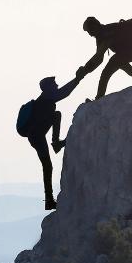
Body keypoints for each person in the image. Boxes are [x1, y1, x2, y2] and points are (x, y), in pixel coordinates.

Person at [24, 72, 84, 210]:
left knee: (56, 115)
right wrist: (78, 79)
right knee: (47, 166)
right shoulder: (46, 98)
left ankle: (56, 143)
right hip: (37, 137)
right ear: (48, 88)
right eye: (54, 85)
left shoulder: (45, 98)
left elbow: (61, 92)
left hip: (37, 135)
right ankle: (49, 200)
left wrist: (78, 78)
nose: (57, 85)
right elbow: (64, 92)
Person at [80, 16, 132, 99]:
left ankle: (99, 97)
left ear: (95, 26)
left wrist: (85, 70)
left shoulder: (107, 32)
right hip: (124, 53)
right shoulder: (101, 37)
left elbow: (99, 55)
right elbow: (99, 59)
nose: (90, 35)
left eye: (90, 31)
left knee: (108, 69)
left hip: (131, 51)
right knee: (114, 64)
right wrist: (85, 70)